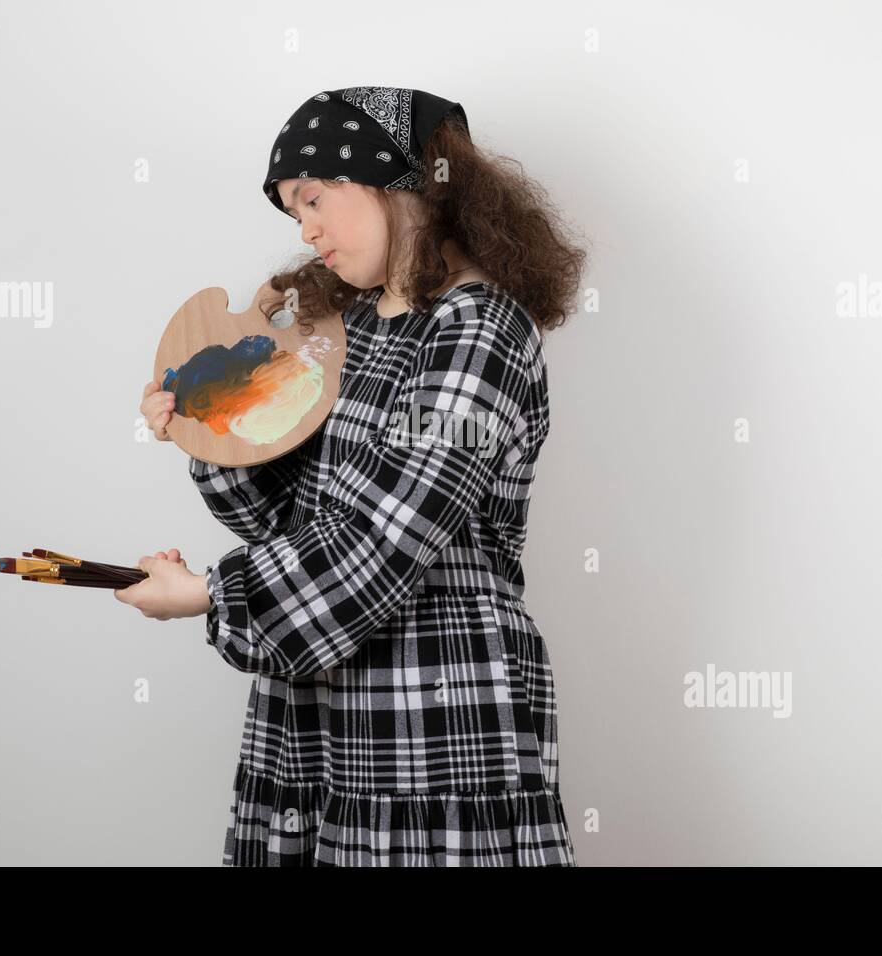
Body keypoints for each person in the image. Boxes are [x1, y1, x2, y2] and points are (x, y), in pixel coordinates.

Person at [116, 87, 588, 866]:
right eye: (291, 211)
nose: (304, 230)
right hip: (316, 701)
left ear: (398, 179)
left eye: (313, 198)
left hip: (434, 716)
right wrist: (208, 428)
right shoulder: (348, 334)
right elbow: (293, 523)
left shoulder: (480, 331)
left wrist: (208, 592)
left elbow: (384, 541)